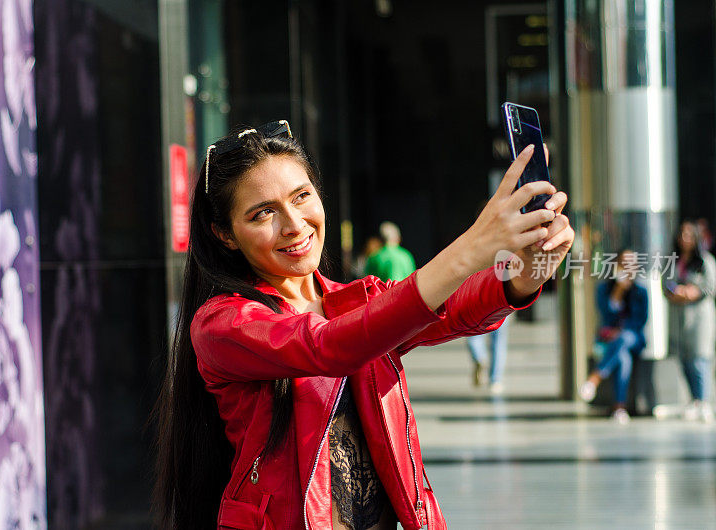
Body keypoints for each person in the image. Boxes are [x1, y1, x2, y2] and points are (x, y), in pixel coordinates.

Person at [152, 120, 574, 529]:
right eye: (263, 214)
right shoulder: (223, 322)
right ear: (225, 234)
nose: (294, 224)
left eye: (301, 196)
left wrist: (528, 270)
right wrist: (471, 248)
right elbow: (329, 347)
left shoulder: (355, 299)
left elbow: (453, 310)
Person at [579, 249, 649, 423]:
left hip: (634, 338)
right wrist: (618, 290)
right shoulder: (604, 289)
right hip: (610, 341)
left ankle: (595, 377)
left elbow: (640, 321)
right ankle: (619, 407)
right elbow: (606, 315)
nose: (627, 267)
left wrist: (621, 332)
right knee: (623, 358)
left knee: (625, 338)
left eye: (631, 263)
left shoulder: (641, 292)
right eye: (623, 263)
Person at [664, 220, 716, 423]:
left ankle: (704, 401)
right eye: (682, 234)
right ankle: (694, 401)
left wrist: (692, 292)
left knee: (700, 359)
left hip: (699, 317)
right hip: (678, 317)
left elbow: (710, 287)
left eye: (689, 235)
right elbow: (665, 284)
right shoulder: (672, 260)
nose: (684, 239)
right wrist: (676, 292)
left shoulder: (705, 261)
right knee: (684, 359)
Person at [467, 315, 510, 395]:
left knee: (474, 333)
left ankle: (479, 357)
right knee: (498, 340)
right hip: (503, 305)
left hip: (477, 304)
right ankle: (495, 380)